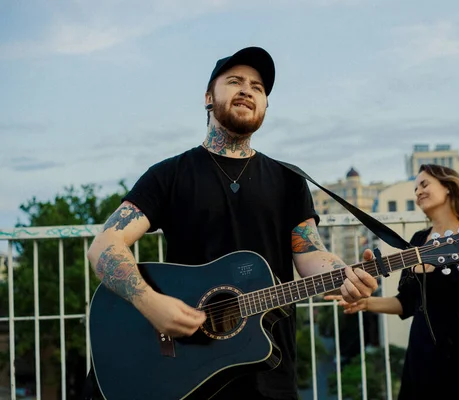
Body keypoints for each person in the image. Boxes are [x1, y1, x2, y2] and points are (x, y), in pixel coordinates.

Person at [85, 46, 378, 400]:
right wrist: (151, 303)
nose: (247, 90)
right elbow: (104, 247)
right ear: (208, 97)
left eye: (257, 87)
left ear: (265, 106)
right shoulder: (169, 175)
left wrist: (343, 275)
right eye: (235, 81)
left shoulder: (288, 180)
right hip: (186, 367)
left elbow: (310, 254)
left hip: (268, 362)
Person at [326, 164, 459, 400]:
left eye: (424, 184)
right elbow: (406, 302)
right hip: (422, 346)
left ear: (447, 187)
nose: (418, 192)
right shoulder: (417, 240)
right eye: (415, 189)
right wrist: (367, 303)